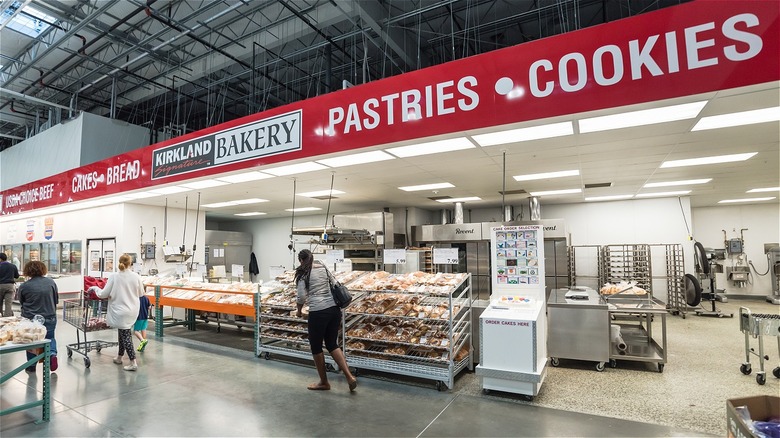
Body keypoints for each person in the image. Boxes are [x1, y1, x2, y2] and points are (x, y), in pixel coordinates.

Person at [294, 249, 357, 392]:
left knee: (316, 347)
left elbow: (301, 297)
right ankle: (349, 376)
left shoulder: (303, 272)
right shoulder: (322, 265)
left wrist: (298, 311)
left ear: (300, 260)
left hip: (318, 311)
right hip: (334, 310)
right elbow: (334, 282)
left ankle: (324, 382)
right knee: (332, 344)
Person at [88, 254, 144, 371]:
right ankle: (119, 357)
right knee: (123, 331)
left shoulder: (114, 276)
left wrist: (94, 288)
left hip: (119, 310)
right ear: (131, 263)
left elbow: (103, 294)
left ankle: (133, 362)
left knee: (126, 335)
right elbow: (141, 294)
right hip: (132, 310)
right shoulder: (136, 276)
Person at [17, 260, 59, 372]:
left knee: (31, 341)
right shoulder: (51, 282)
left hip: (31, 319)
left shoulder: (24, 286)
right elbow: (56, 300)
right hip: (50, 316)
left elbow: (21, 302)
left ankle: (31, 365)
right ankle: (52, 354)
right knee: (50, 338)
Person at [0, 253, 20, 317]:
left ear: (0, 259)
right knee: (8, 304)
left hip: (0, 285)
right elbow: (17, 276)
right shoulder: (13, 266)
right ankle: (7, 318)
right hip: (10, 286)